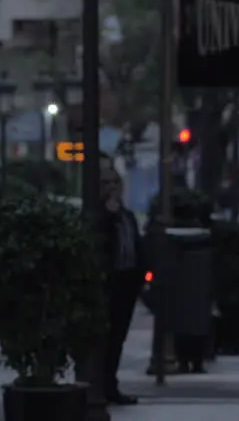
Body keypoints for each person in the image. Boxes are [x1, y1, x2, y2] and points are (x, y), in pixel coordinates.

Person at [98, 168, 144, 406]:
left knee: (117, 339)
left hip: (127, 284)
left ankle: (110, 385)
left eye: (116, 182)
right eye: (106, 183)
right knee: (103, 339)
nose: (112, 187)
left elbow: (135, 246)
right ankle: (100, 386)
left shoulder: (127, 215)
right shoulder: (100, 215)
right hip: (108, 285)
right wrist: (109, 216)